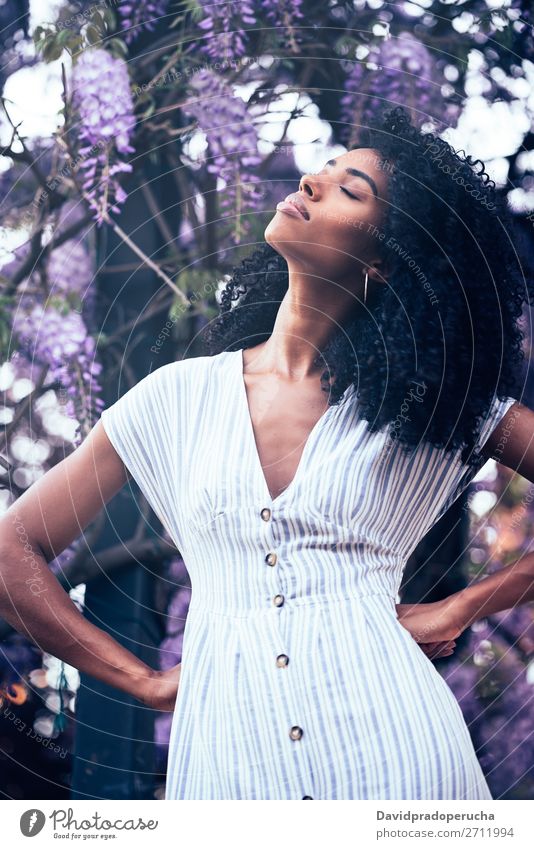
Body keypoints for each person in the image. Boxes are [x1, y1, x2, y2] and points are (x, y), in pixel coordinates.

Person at [1, 106, 534, 800]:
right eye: (325, 170)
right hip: (228, 764)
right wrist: (146, 681)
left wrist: (461, 607)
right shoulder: (175, 399)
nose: (312, 181)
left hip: (398, 757)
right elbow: (14, 549)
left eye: (351, 189)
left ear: (384, 259)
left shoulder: (442, 403)